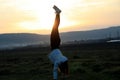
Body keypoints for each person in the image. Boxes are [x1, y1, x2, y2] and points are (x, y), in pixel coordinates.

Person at [48, 5, 69, 80]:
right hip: (54, 44)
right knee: (55, 27)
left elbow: (59, 68)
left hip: (57, 44)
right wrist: (55, 78)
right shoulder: (57, 62)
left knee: (55, 27)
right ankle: (58, 13)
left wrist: (65, 73)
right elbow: (54, 70)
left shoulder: (64, 60)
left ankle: (58, 14)